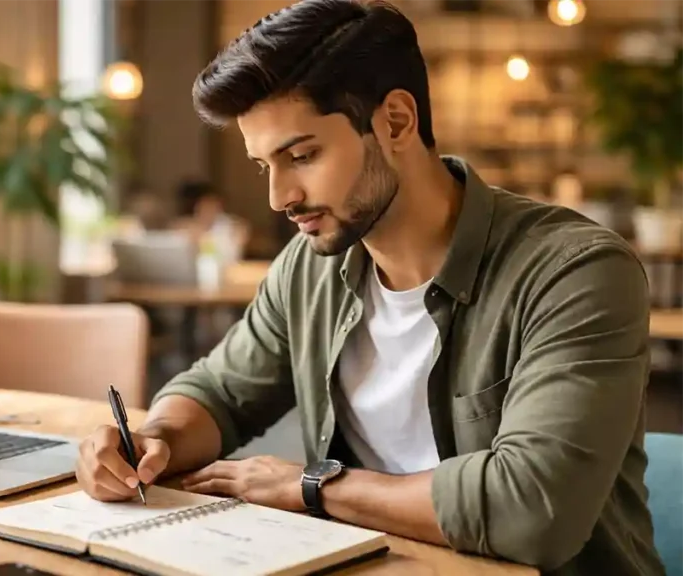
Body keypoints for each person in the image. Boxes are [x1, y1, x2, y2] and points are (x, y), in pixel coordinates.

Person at [74, 1, 664, 575]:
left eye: (301, 155)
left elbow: (533, 509)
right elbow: (220, 392)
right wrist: (151, 442)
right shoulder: (310, 269)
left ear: (396, 122)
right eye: (264, 166)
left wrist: (309, 486)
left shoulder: (575, 273)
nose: (280, 197)